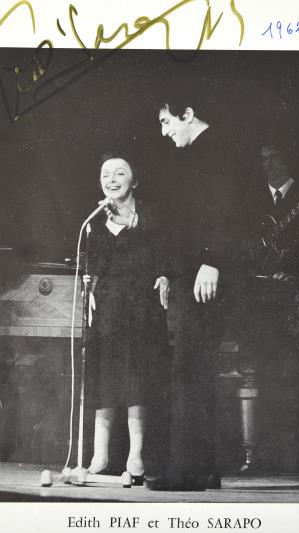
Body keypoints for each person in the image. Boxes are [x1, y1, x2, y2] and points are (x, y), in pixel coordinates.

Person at [146, 101, 236, 491]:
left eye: (166, 122)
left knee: (188, 370)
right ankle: (205, 468)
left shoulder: (218, 150)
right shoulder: (193, 155)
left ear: (187, 114)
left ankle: (186, 471)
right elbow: (185, 223)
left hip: (206, 275)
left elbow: (227, 213)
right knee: (195, 369)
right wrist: (168, 271)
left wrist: (212, 260)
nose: (163, 131)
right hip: (191, 274)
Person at [235, 136, 299, 472]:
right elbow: (244, 245)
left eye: (273, 157)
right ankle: (260, 455)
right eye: (263, 159)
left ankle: (297, 456)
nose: (268, 165)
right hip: (261, 300)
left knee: (293, 373)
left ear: (288, 159)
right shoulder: (252, 199)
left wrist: (292, 271)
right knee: (260, 367)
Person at [85, 153, 169, 483]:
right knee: (104, 376)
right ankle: (100, 454)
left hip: (143, 308)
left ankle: (136, 455)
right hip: (108, 308)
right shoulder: (95, 220)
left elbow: (164, 252)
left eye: (120, 173)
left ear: (135, 180)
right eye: (106, 174)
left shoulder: (151, 216)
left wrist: (164, 275)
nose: (112, 179)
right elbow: (91, 263)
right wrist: (89, 286)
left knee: (138, 379)